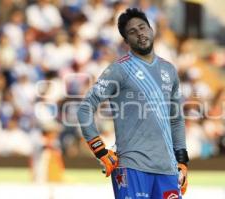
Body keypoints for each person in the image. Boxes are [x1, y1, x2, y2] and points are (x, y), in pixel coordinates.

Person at [77, 8, 189, 199]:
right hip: (132, 166)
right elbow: (85, 108)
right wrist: (100, 150)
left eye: (142, 27)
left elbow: (176, 119)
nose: (140, 33)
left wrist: (182, 161)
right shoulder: (119, 70)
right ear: (126, 41)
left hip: (168, 169)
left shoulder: (169, 70)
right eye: (132, 32)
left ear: (151, 29)